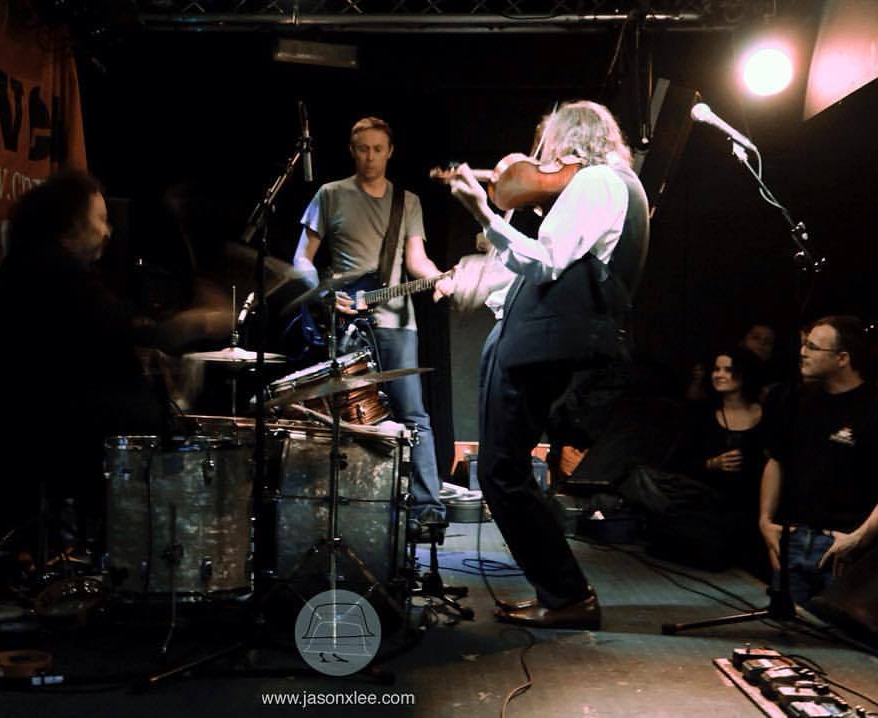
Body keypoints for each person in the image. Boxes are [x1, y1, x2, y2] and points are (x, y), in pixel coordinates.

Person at [442, 100, 650, 629]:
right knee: (504, 469)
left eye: (549, 146)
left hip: (535, 342)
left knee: (501, 470)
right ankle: (560, 593)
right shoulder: (615, 185)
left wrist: (485, 214)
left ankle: (567, 596)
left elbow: (547, 260)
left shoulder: (597, 181)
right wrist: (490, 284)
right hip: (534, 336)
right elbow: (550, 266)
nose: (545, 159)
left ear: (569, 140)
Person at [0, 169, 172, 547]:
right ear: (69, 223)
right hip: (45, 431)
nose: (108, 232)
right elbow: (116, 324)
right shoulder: (50, 270)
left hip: (38, 422)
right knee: (149, 425)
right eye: (100, 219)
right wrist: (190, 325)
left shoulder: (32, 265)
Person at [292, 116, 452, 532]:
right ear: (352, 150)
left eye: (378, 149)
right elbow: (302, 259)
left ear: (390, 152)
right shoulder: (330, 194)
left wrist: (439, 278)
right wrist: (325, 295)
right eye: (363, 149)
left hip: (396, 322)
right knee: (349, 418)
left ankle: (427, 509)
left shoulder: (407, 202)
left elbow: (416, 260)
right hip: (344, 325)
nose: (370, 157)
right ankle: (352, 506)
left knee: (413, 414)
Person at [759, 316, 878, 609]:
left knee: (836, 633)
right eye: (804, 345)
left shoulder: (872, 407)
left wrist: (859, 538)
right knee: (784, 628)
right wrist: (765, 520)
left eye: (813, 347)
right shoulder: (797, 400)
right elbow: (777, 460)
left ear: (842, 358)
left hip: (842, 544)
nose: (803, 352)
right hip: (794, 536)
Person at [657, 347, 768, 575]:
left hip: (753, 509)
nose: (719, 375)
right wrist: (711, 464)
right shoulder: (704, 415)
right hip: (709, 509)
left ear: (744, 373)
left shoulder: (766, 415)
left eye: (728, 369)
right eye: (716, 369)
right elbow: (676, 465)